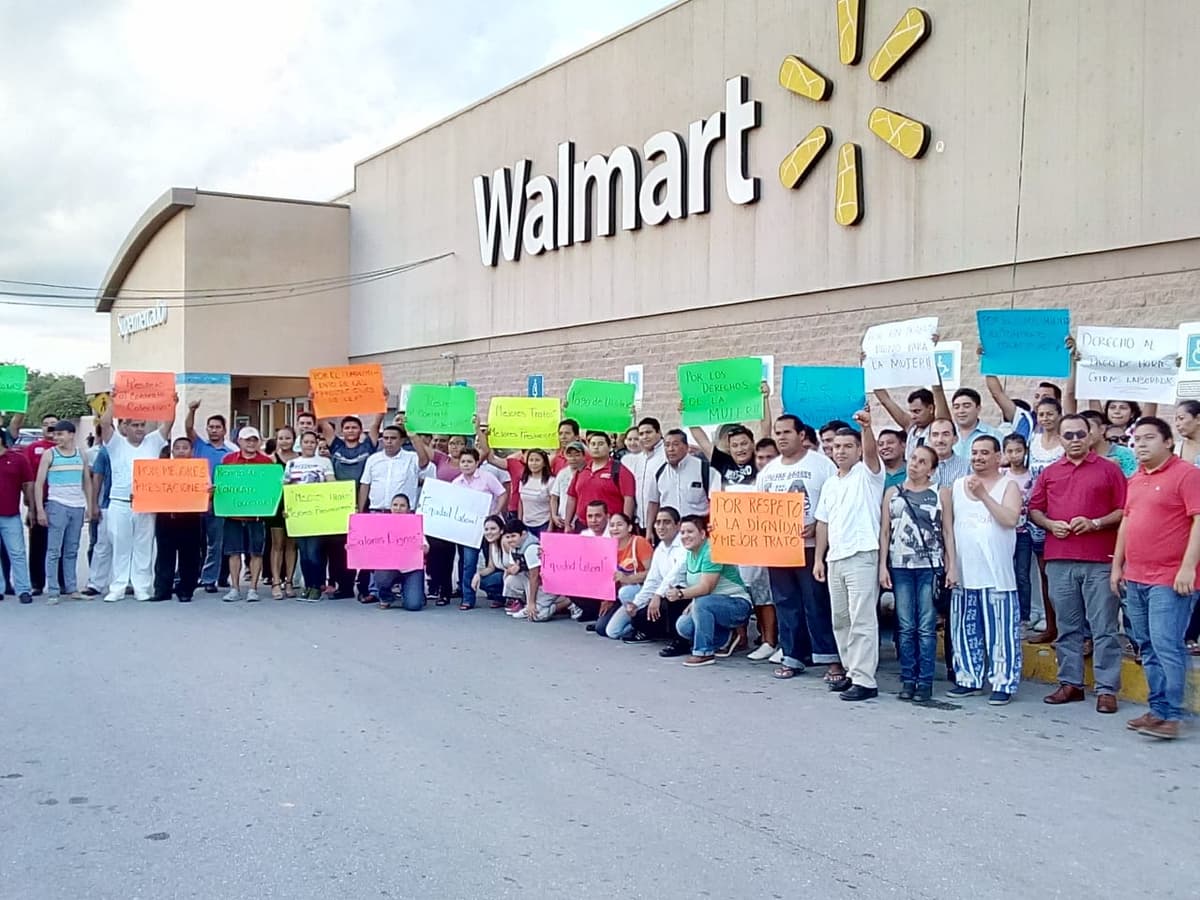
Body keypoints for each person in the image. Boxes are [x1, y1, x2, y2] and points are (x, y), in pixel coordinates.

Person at [1029, 413, 1127, 712]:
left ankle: (1107, 689)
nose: (1074, 440)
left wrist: (1096, 523)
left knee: (1104, 627)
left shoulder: (1109, 470)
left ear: (1090, 436)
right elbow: (1034, 508)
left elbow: (1125, 509)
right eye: (1068, 435)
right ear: (1060, 438)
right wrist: (1049, 524)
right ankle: (1070, 683)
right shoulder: (1049, 472)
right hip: (1059, 559)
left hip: (1099, 559)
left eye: (1079, 435)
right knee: (1068, 626)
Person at [1112, 417, 1200, 739]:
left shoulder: (1188, 476)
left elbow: (1198, 523)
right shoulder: (1135, 479)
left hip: (1170, 578)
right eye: (1136, 440)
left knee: (1166, 645)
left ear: (1167, 441)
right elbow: (1126, 523)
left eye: (1149, 438)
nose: (1141, 445)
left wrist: (1188, 567)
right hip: (1135, 577)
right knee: (1146, 646)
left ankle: (1172, 715)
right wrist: (1117, 565)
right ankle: (1157, 708)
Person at [755, 414, 841, 682]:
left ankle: (830, 658)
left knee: (816, 602)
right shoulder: (769, 471)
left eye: (786, 432)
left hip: (812, 548)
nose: (781, 437)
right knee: (785, 603)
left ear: (801, 435)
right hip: (778, 549)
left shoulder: (822, 465)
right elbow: (757, 509)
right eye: (777, 432)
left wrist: (817, 524)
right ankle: (792, 656)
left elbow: (836, 501)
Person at [944, 436, 1023, 704]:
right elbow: (949, 530)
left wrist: (983, 496)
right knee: (964, 628)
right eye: (975, 453)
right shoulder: (956, 486)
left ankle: (1003, 681)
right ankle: (968, 677)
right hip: (965, 573)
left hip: (997, 574)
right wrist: (951, 565)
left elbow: (1010, 519)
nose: (978, 458)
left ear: (998, 456)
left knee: (1001, 631)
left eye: (985, 453)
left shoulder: (1008, 485)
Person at [814, 411, 886, 701]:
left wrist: (866, 428)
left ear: (857, 449)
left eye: (847, 446)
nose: (840, 451)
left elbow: (871, 454)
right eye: (835, 447)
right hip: (836, 558)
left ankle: (865, 680)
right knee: (841, 619)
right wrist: (819, 558)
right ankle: (851, 671)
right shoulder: (831, 483)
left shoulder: (868, 475)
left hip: (862, 554)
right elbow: (823, 522)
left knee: (862, 619)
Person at [879, 444, 952, 703]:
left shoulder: (940, 493)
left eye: (922, 462)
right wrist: (882, 566)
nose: (915, 464)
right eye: (913, 459)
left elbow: (947, 532)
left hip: (929, 567)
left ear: (931, 470)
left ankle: (925, 681)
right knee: (905, 625)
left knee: (926, 626)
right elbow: (885, 533)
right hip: (900, 566)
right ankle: (908, 678)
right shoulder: (893, 493)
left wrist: (951, 565)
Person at [100, 390, 175, 602]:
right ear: (125, 427)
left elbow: (168, 424)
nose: (140, 429)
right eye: (135, 425)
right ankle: (118, 587)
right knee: (121, 545)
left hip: (146, 503)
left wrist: (171, 404)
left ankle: (142, 586)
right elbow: (105, 424)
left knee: (144, 546)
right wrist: (113, 402)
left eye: (142, 425)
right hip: (120, 502)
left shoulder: (152, 442)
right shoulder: (116, 444)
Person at [666, 515, 754, 667]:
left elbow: (706, 587)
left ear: (702, 534)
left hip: (737, 604)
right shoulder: (689, 554)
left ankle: (704, 653)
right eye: (682, 532)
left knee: (702, 603)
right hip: (712, 603)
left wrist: (681, 594)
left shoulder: (711, 551)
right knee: (683, 625)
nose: (685, 536)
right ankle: (724, 638)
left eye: (690, 532)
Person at [358, 424, 430, 603]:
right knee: (378, 554)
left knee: (405, 554)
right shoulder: (373, 459)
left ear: (402, 440)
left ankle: (409, 587)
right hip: (378, 512)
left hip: (405, 515)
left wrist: (414, 437)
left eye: (393, 438)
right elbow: (365, 484)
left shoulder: (411, 457)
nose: (388, 442)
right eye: (386, 438)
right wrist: (360, 512)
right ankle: (377, 591)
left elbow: (424, 462)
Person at [321, 413, 380, 600]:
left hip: (364, 503)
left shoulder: (367, 446)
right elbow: (324, 424)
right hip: (339, 506)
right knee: (340, 548)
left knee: (363, 546)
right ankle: (344, 586)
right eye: (347, 427)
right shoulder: (336, 446)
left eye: (354, 427)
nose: (350, 430)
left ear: (360, 430)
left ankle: (364, 587)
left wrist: (383, 403)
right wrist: (315, 401)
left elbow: (376, 425)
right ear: (341, 431)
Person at [607, 507, 686, 642]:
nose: (661, 527)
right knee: (631, 619)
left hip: (681, 595)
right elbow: (652, 580)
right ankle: (653, 629)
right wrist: (636, 604)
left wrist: (657, 595)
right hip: (660, 594)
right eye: (658, 522)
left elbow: (674, 575)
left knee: (666, 601)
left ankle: (678, 640)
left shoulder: (684, 546)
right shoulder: (660, 548)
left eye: (666, 522)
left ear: (678, 525)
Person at [34, 420, 91, 604]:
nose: (57, 437)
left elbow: (87, 482)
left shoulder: (81, 454)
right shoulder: (49, 455)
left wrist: (89, 505)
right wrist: (40, 510)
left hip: (77, 505)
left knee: (72, 549)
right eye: (55, 434)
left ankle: (71, 588)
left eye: (60, 434)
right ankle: (53, 591)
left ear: (71, 434)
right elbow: (38, 483)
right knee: (53, 550)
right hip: (57, 504)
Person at [1025, 397, 1066, 643]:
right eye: (1041, 414)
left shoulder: (1065, 442)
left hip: (1062, 514)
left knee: (1064, 576)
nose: (1046, 418)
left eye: (1050, 413)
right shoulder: (1033, 441)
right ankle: (1050, 626)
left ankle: (1068, 628)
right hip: (1038, 516)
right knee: (1044, 574)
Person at [185, 401, 237, 594]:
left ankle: (209, 579)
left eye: (218, 427)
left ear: (224, 431)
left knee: (215, 543)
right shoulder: (199, 445)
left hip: (219, 502)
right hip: (195, 501)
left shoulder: (231, 454)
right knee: (193, 543)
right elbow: (188, 427)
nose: (214, 430)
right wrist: (192, 410)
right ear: (206, 429)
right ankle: (189, 576)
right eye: (211, 427)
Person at [219, 427, 273, 603]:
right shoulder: (228, 460)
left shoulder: (266, 462)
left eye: (254, 440)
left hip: (256, 516)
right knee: (233, 552)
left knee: (256, 553)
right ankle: (235, 588)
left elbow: (271, 489)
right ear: (239, 441)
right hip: (233, 515)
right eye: (247, 440)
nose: (251, 443)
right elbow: (222, 484)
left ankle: (253, 589)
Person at [152, 436, 205, 602]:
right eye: (178, 448)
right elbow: (152, 489)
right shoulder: (162, 469)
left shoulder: (199, 471)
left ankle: (186, 590)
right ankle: (162, 590)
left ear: (191, 451)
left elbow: (206, 490)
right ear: (172, 451)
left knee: (189, 556)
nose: (181, 451)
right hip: (166, 517)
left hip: (190, 518)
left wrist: (209, 493)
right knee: (164, 555)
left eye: (185, 448)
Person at [453, 447, 507, 610]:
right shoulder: (456, 483)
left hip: (490, 528)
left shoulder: (487, 477)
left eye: (470, 461)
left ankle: (499, 596)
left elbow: (502, 493)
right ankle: (468, 598)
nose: (466, 465)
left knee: (495, 562)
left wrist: (496, 512)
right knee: (469, 563)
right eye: (463, 462)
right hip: (469, 530)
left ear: (477, 463)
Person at [285, 430, 336, 601]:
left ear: (316, 444)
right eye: (306, 442)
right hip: (298, 514)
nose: (309, 445)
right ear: (301, 444)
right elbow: (286, 489)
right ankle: (307, 585)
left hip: (317, 514)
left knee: (314, 551)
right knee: (304, 552)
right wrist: (286, 509)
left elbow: (332, 485)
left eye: (312, 442)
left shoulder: (325, 462)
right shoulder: (291, 463)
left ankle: (316, 586)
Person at [594, 511, 652, 638]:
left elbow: (652, 573)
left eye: (619, 525)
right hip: (623, 599)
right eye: (612, 525)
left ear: (629, 527)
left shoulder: (639, 542)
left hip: (641, 592)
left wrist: (628, 578)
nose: (615, 528)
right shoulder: (608, 547)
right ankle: (634, 625)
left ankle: (644, 626)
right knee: (608, 631)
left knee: (625, 592)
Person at [564, 432, 636, 532]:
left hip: (610, 527)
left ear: (610, 446)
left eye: (600, 444)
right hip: (583, 526)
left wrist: (624, 525)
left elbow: (628, 499)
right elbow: (572, 497)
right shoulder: (582, 470)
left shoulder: (620, 471)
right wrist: (567, 523)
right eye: (593, 444)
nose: (596, 447)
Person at [503, 518, 572, 621]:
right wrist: (511, 570)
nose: (510, 540)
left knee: (537, 616)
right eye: (508, 537)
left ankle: (567, 601)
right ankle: (528, 605)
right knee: (511, 580)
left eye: (513, 536)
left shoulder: (531, 548)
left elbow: (534, 577)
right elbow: (512, 568)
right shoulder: (515, 547)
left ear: (523, 534)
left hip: (547, 583)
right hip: (531, 581)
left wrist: (532, 603)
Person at [645, 429, 719, 523]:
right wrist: (649, 531)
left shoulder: (704, 469)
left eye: (675, 444)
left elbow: (716, 502)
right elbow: (653, 503)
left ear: (686, 447)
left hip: (697, 527)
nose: (670, 449)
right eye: (667, 445)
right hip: (669, 530)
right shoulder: (659, 472)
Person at [1001, 434, 1035, 630]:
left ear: (1026, 451)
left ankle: (1024, 615)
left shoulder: (1031, 476)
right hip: (1004, 531)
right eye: (1010, 451)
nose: (1014, 455)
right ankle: (1008, 610)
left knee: (1022, 573)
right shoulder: (1002, 475)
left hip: (1024, 532)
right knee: (1005, 571)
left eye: (1018, 451)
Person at [373, 493, 429, 611]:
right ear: (390, 507)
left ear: (408, 509)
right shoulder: (381, 524)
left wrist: (424, 548)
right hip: (389, 568)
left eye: (402, 506)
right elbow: (368, 544)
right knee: (381, 574)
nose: (398, 508)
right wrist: (354, 548)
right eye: (395, 505)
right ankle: (386, 597)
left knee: (413, 605)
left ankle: (411, 591)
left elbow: (426, 545)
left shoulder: (415, 523)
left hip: (411, 569)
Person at [23, 414, 60, 596]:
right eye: (46, 425)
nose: (49, 428)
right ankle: (37, 583)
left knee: (60, 545)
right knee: (38, 544)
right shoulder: (33, 448)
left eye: (53, 425)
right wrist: (31, 507)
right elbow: (28, 480)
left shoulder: (67, 449)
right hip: (40, 503)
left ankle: (61, 582)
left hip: (61, 503)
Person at [266, 426, 299, 599]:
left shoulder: (301, 460)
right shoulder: (271, 460)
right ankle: (276, 582)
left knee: (292, 546)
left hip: (295, 506)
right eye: (281, 438)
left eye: (288, 438)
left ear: (294, 439)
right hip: (277, 506)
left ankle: (289, 582)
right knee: (277, 545)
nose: (284, 441)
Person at [0, 435, 34, 603]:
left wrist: (31, 509)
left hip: (10, 515)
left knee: (17, 553)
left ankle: (23, 589)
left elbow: (27, 485)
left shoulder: (17, 459)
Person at [873, 386, 950, 459]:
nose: (913, 416)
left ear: (930, 408)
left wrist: (934, 377)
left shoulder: (939, 428)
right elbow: (885, 401)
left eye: (917, 411)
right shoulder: (911, 427)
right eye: (911, 412)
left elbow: (938, 391)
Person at [83, 434, 113, 597]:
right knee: (102, 545)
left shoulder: (143, 448)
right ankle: (96, 583)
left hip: (137, 504)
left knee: (132, 547)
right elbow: (97, 478)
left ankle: (129, 582)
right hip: (109, 503)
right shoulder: (105, 452)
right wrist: (93, 504)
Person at [623, 417, 665, 529]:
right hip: (641, 522)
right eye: (641, 434)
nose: (645, 437)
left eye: (648, 432)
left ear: (659, 432)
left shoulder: (667, 455)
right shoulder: (640, 459)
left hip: (663, 523)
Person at [1080, 409, 1136, 477]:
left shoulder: (1124, 453)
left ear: (1102, 429)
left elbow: (1131, 481)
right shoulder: (1078, 456)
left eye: (1089, 427)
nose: (1085, 433)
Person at [950, 388, 1003, 459]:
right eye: (956, 407)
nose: (961, 411)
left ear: (978, 408)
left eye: (966, 406)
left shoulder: (994, 435)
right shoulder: (945, 434)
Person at [472, 515, 509, 609]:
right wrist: (478, 574)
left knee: (496, 579)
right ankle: (502, 598)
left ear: (501, 530)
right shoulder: (491, 543)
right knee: (484, 581)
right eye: (486, 529)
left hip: (514, 575)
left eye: (493, 529)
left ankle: (515, 598)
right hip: (504, 574)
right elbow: (491, 567)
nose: (489, 532)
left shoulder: (506, 542)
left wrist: (507, 573)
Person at [550, 441, 585, 532]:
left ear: (584, 456)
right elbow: (554, 497)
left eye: (577, 455)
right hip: (561, 521)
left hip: (579, 522)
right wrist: (554, 516)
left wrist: (572, 521)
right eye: (570, 455)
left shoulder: (587, 474)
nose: (573, 458)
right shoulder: (562, 473)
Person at [517, 449, 553, 535]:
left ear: (544, 463)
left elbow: (553, 504)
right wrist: (520, 522)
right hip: (526, 524)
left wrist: (550, 526)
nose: (534, 463)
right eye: (531, 460)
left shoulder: (550, 481)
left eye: (537, 460)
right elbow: (521, 502)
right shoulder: (524, 480)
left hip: (544, 524)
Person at [928, 419, 970, 488]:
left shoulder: (968, 467)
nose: (940, 440)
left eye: (946, 434)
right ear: (929, 439)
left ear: (955, 439)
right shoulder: (918, 465)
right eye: (935, 435)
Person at [1176, 400, 1200, 466]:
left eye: (1181, 418)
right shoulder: (1175, 449)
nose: (1177, 424)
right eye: (1176, 420)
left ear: (1198, 419)